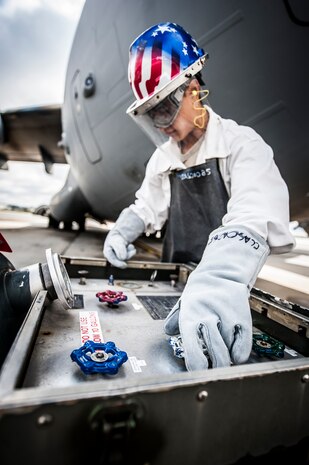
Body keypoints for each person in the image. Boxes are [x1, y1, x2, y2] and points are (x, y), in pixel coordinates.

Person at [103, 22, 295, 371]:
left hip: (222, 293)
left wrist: (220, 279)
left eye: (163, 110)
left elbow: (253, 212)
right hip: (176, 284)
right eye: (151, 115)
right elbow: (147, 206)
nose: (161, 125)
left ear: (192, 90)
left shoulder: (241, 144)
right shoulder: (164, 158)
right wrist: (122, 230)